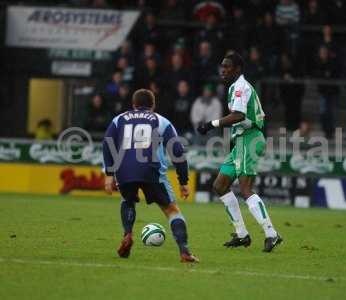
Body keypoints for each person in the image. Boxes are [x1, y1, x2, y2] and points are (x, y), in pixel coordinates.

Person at [197, 52, 282, 252]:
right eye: (222, 67)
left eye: (227, 67)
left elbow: (238, 116)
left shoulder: (240, 87)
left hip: (250, 138)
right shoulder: (237, 87)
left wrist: (211, 124)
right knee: (220, 185)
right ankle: (242, 234)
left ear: (238, 69)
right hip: (242, 141)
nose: (223, 70)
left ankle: (272, 234)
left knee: (245, 190)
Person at [102, 89, 199, 263]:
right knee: (171, 211)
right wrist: (183, 181)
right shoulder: (161, 121)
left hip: (124, 170)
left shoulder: (119, 119)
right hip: (152, 170)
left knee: (127, 200)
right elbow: (177, 151)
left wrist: (109, 174)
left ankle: (127, 234)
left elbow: (107, 143)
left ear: (133, 105)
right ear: (153, 106)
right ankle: (184, 251)